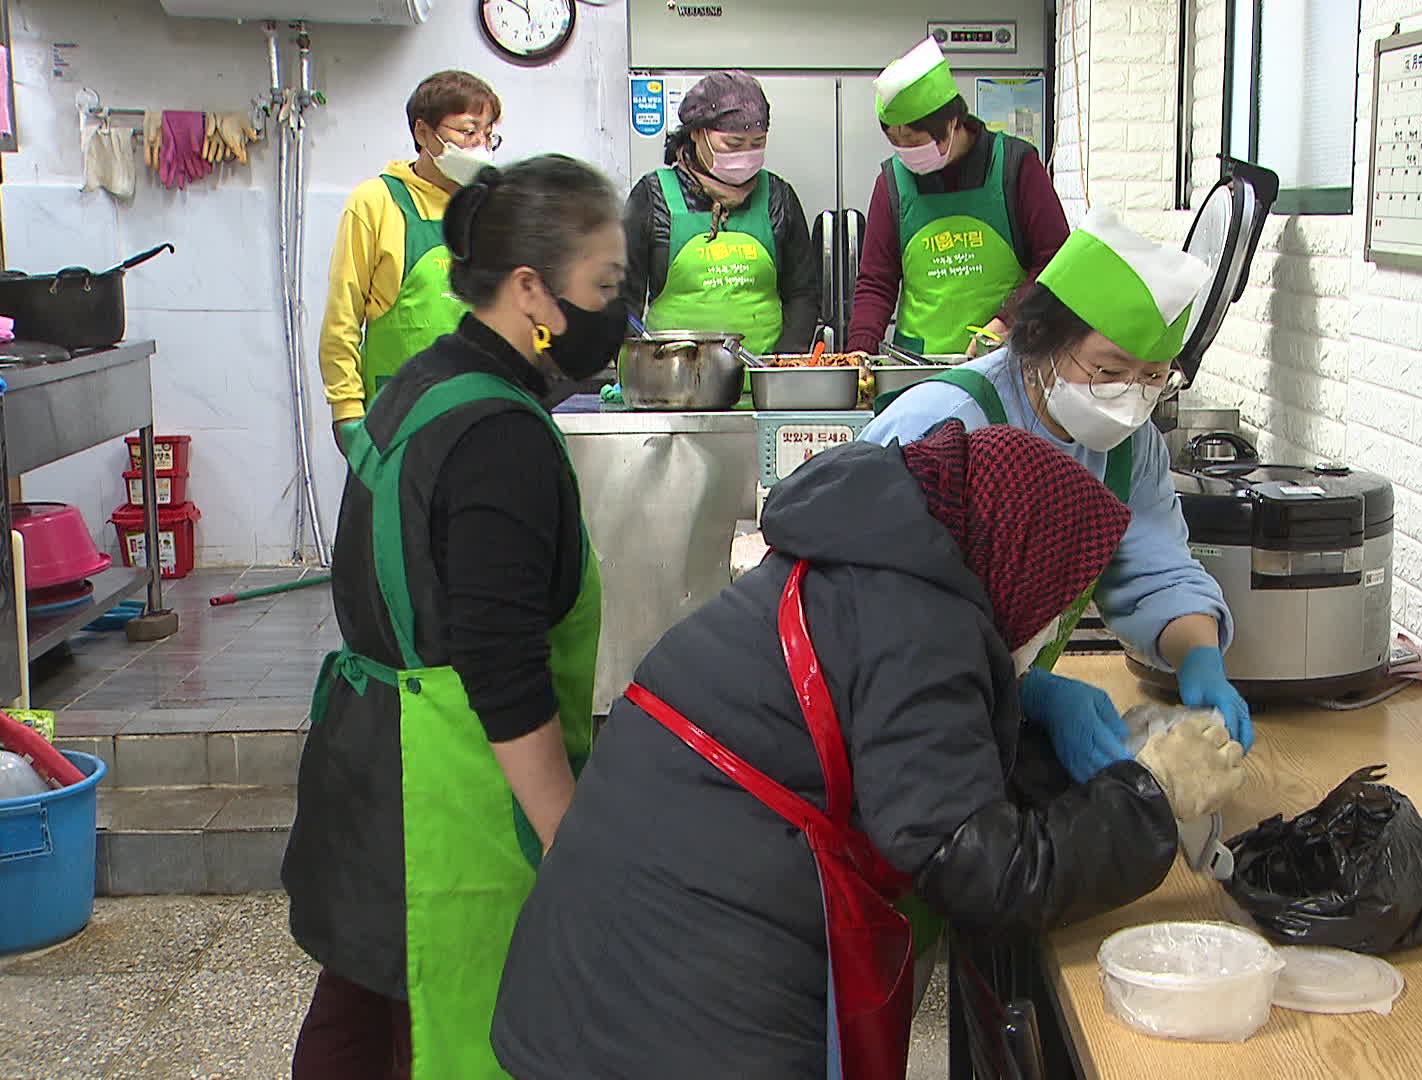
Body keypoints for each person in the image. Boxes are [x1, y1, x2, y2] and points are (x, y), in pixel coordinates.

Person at [492, 421, 1246, 1078]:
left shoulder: (876, 564)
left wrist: (1048, 750)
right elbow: (978, 868)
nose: (1050, 628)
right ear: (1015, 561)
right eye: (1057, 602)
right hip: (673, 999)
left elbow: (926, 767)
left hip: (620, 957)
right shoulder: (917, 624)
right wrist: (1149, 796)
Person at [284, 155, 626, 1079]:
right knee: (451, 1032)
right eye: (604, 283)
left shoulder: (424, 382)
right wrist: (568, 838)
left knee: (362, 1010)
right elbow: (500, 662)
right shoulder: (500, 437)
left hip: (372, 761)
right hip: (454, 798)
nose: (619, 310)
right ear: (531, 291)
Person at [859, 208, 1253, 763]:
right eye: (1108, 371)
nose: (1130, 397)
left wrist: (1200, 659)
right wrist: (1025, 688)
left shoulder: (1130, 448)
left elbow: (1156, 568)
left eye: (1153, 377)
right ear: (1040, 339)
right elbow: (872, 608)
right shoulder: (945, 423)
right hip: (883, 717)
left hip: (976, 724)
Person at [849, 36, 1070, 357]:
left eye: (912, 139)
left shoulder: (1013, 166)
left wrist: (1007, 321)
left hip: (1004, 361)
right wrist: (859, 352)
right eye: (894, 140)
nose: (904, 152)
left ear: (951, 123)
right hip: (918, 368)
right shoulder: (892, 183)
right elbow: (875, 283)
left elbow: (1056, 262)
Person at [318, 71, 503, 450]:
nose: (480, 146)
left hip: (476, 418)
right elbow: (342, 319)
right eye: (469, 132)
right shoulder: (376, 202)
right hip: (397, 421)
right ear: (423, 132)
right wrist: (347, 413)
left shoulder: (489, 208)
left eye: (488, 135)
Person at [624, 70, 821, 398]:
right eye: (732, 144)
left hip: (765, 389)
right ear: (698, 134)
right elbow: (623, 300)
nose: (745, 154)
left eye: (757, 144)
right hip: (673, 391)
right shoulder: (653, 195)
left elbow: (803, 294)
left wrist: (782, 366)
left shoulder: (778, 196)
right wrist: (636, 368)